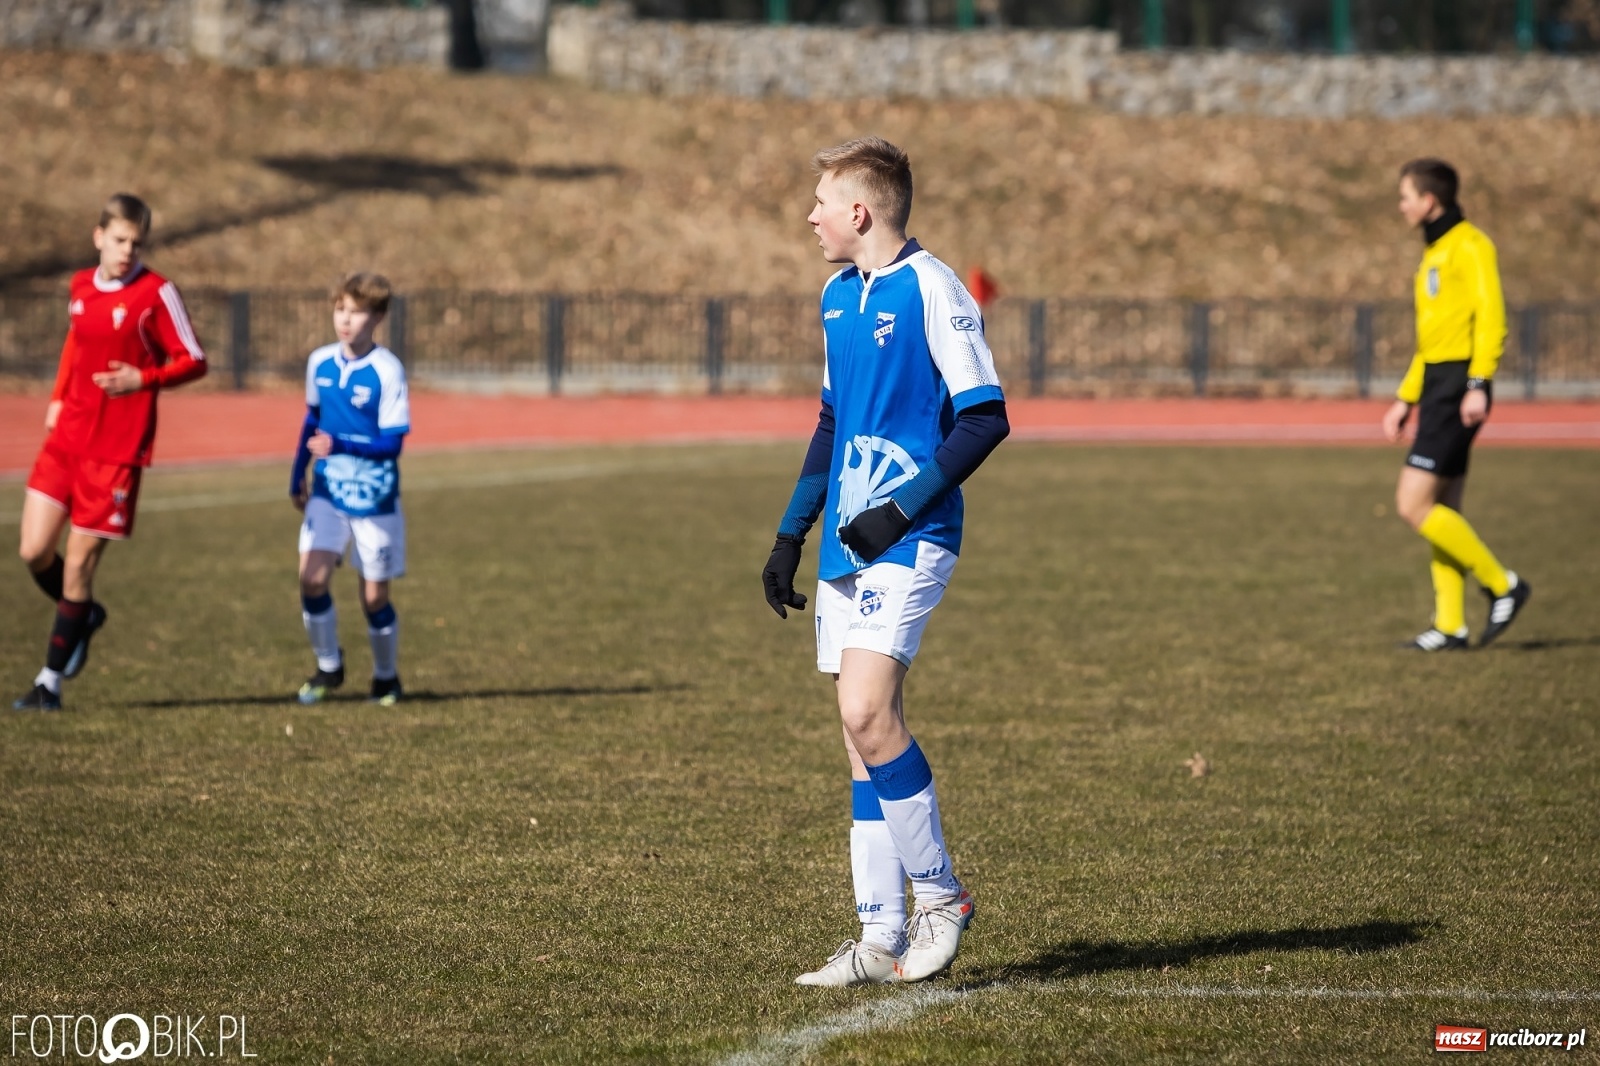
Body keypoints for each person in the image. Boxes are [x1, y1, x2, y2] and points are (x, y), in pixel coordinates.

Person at [762, 137, 1010, 986]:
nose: (811, 217)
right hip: (846, 544)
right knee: (855, 738)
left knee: (870, 714)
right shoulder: (835, 295)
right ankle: (878, 934)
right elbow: (831, 424)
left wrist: (900, 509)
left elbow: (984, 418)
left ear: (859, 211)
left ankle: (941, 899)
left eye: (822, 202)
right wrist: (793, 534)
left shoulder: (932, 287)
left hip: (912, 535)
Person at [14, 193, 208, 711]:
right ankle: (84, 615)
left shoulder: (156, 292)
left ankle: (47, 684)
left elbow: (194, 359)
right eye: (119, 240)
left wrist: (143, 378)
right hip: (66, 441)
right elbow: (75, 343)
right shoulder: (80, 286)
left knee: (77, 568)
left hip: (117, 451)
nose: (127, 252)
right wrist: (57, 398)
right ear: (99, 235)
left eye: (136, 244)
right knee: (34, 551)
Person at [1383, 159, 1530, 651]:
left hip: (1458, 385)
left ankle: (1503, 584)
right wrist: (1406, 397)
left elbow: (1492, 318)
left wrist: (1478, 382)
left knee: (1411, 504)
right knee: (1443, 508)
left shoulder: (1471, 245)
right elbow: (1431, 342)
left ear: (1429, 201)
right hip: (1437, 383)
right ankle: (1450, 626)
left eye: (1406, 196)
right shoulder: (1434, 254)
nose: (1401, 205)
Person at [290, 273, 410, 706]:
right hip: (328, 493)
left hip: (375, 500)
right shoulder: (320, 362)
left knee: (374, 596)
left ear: (377, 317)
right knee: (312, 579)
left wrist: (339, 444)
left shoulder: (387, 370)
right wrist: (297, 474)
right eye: (340, 308)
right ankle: (329, 667)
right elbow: (312, 420)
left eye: (357, 311)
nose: (345, 319)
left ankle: (385, 677)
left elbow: (392, 445)